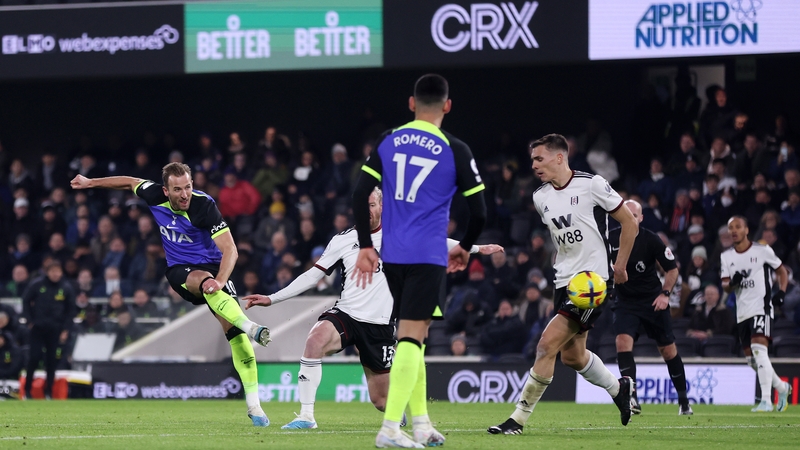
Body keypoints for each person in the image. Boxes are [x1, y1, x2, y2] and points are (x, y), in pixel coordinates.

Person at [244, 187, 502, 430]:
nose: (366, 210)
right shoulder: (343, 240)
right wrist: (272, 298)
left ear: (382, 206)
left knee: (380, 400)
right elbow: (313, 275)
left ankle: (395, 412)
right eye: (361, 205)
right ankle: (306, 416)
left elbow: (435, 240)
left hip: (379, 325)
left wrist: (476, 248)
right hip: (346, 313)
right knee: (315, 340)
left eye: (371, 204)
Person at [70, 162, 272, 426]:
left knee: (234, 335)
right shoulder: (153, 194)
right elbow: (129, 181)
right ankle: (250, 325)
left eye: (188, 187)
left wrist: (222, 280)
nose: (185, 194)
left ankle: (254, 406)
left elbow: (230, 250)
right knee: (205, 282)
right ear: (166, 191)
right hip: (180, 271)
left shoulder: (204, 206)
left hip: (214, 269)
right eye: (178, 189)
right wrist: (90, 182)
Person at [352, 74, 487, 448]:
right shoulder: (455, 148)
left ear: (411, 104)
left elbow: (360, 192)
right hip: (427, 257)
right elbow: (480, 212)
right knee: (411, 338)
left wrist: (365, 244)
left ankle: (422, 424)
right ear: (447, 106)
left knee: (418, 337)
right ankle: (390, 429)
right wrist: (465, 247)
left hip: (392, 255)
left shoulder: (388, 140)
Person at [487, 133, 638, 435]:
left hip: (591, 282)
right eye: (532, 160)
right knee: (573, 356)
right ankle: (619, 388)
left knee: (546, 346)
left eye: (539, 159)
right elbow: (563, 240)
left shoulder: (592, 185)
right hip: (563, 280)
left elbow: (630, 223)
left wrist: (619, 265)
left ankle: (517, 420)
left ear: (559, 157)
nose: (534, 165)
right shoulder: (540, 197)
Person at [610, 200, 692, 415]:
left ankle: (684, 401)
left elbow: (672, 270)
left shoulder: (651, 239)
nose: (631, 219)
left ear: (641, 217)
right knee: (622, 343)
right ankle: (632, 398)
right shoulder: (610, 238)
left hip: (652, 301)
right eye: (627, 215)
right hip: (626, 302)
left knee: (668, 350)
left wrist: (665, 295)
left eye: (635, 215)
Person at [720, 216, 792, 412]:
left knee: (760, 350)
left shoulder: (762, 251)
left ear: (746, 230)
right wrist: (732, 283)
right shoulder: (726, 257)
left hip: (762, 307)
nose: (734, 231)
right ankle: (782, 387)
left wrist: (782, 293)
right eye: (730, 228)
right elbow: (725, 287)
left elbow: (782, 271)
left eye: (738, 227)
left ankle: (766, 400)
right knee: (753, 360)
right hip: (742, 312)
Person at [21, 260, 76, 399]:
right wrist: (29, 320)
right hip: (38, 328)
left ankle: (49, 392)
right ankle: (27, 391)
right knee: (34, 358)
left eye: (58, 271)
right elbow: (25, 300)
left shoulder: (66, 288)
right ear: (47, 272)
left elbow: (71, 310)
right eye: (53, 271)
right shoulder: (37, 284)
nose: (56, 274)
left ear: (61, 272)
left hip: (55, 329)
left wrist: (65, 329)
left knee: (51, 360)